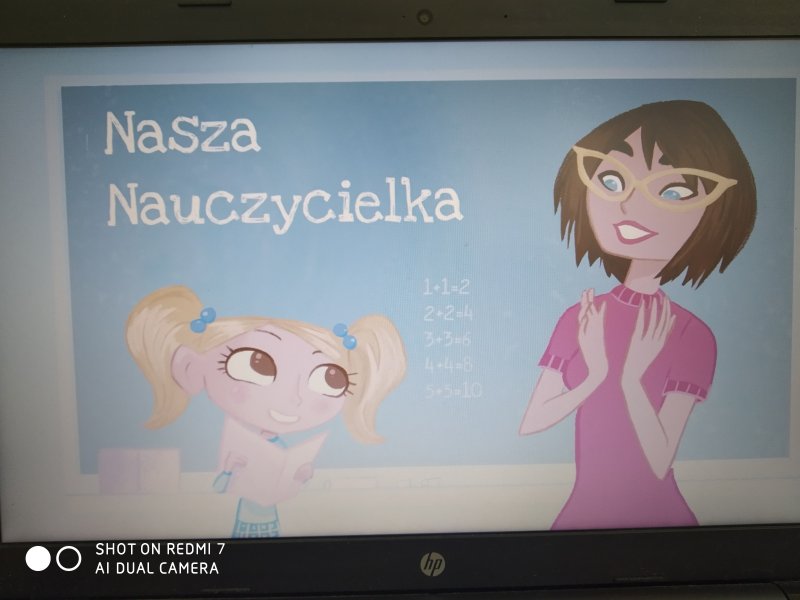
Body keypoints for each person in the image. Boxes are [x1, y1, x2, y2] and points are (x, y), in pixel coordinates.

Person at [519, 100, 756, 529]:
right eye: (612, 180)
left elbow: (659, 459)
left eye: (673, 191)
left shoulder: (691, 334)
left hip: (662, 530)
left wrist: (631, 379)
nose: (629, 203)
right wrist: (595, 376)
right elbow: (532, 422)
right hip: (579, 518)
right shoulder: (581, 316)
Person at [126, 285, 407, 537]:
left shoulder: (279, 447)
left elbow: (283, 488)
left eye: (330, 378)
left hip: (272, 524)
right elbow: (218, 488)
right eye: (255, 364)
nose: (294, 398)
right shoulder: (236, 445)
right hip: (244, 526)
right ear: (190, 368)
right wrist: (229, 472)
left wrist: (299, 475)